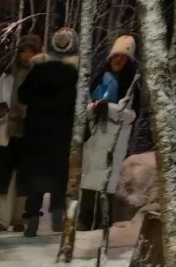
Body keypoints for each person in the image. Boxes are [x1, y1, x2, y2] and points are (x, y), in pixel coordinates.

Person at [17, 26, 79, 237]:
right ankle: (58, 218)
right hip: (60, 134)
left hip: (36, 134)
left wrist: (37, 105)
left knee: (35, 177)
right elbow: (76, 105)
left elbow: (22, 95)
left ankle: (32, 220)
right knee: (58, 177)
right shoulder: (73, 74)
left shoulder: (38, 70)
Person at [80, 35, 142, 229]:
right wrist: (93, 109)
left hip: (115, 139)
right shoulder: (98, 79)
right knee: (88, 180)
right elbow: (84, 107)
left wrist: (111, 109)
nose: (118, 60)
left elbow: (132, 115)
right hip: (95, 135)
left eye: (123, 57)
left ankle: (101, 224)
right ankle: (84, 220)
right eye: (115, 56)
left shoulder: (131, 85)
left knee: (107, 182)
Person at [0, 33, 43, 231]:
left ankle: (20, 218)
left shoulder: (42, 77)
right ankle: (1, 218)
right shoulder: (7, 75)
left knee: (24, 177)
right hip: (7, 131)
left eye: (30, 51)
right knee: (4, 176)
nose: (26, 55)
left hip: (29, 132)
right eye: (23, 51)